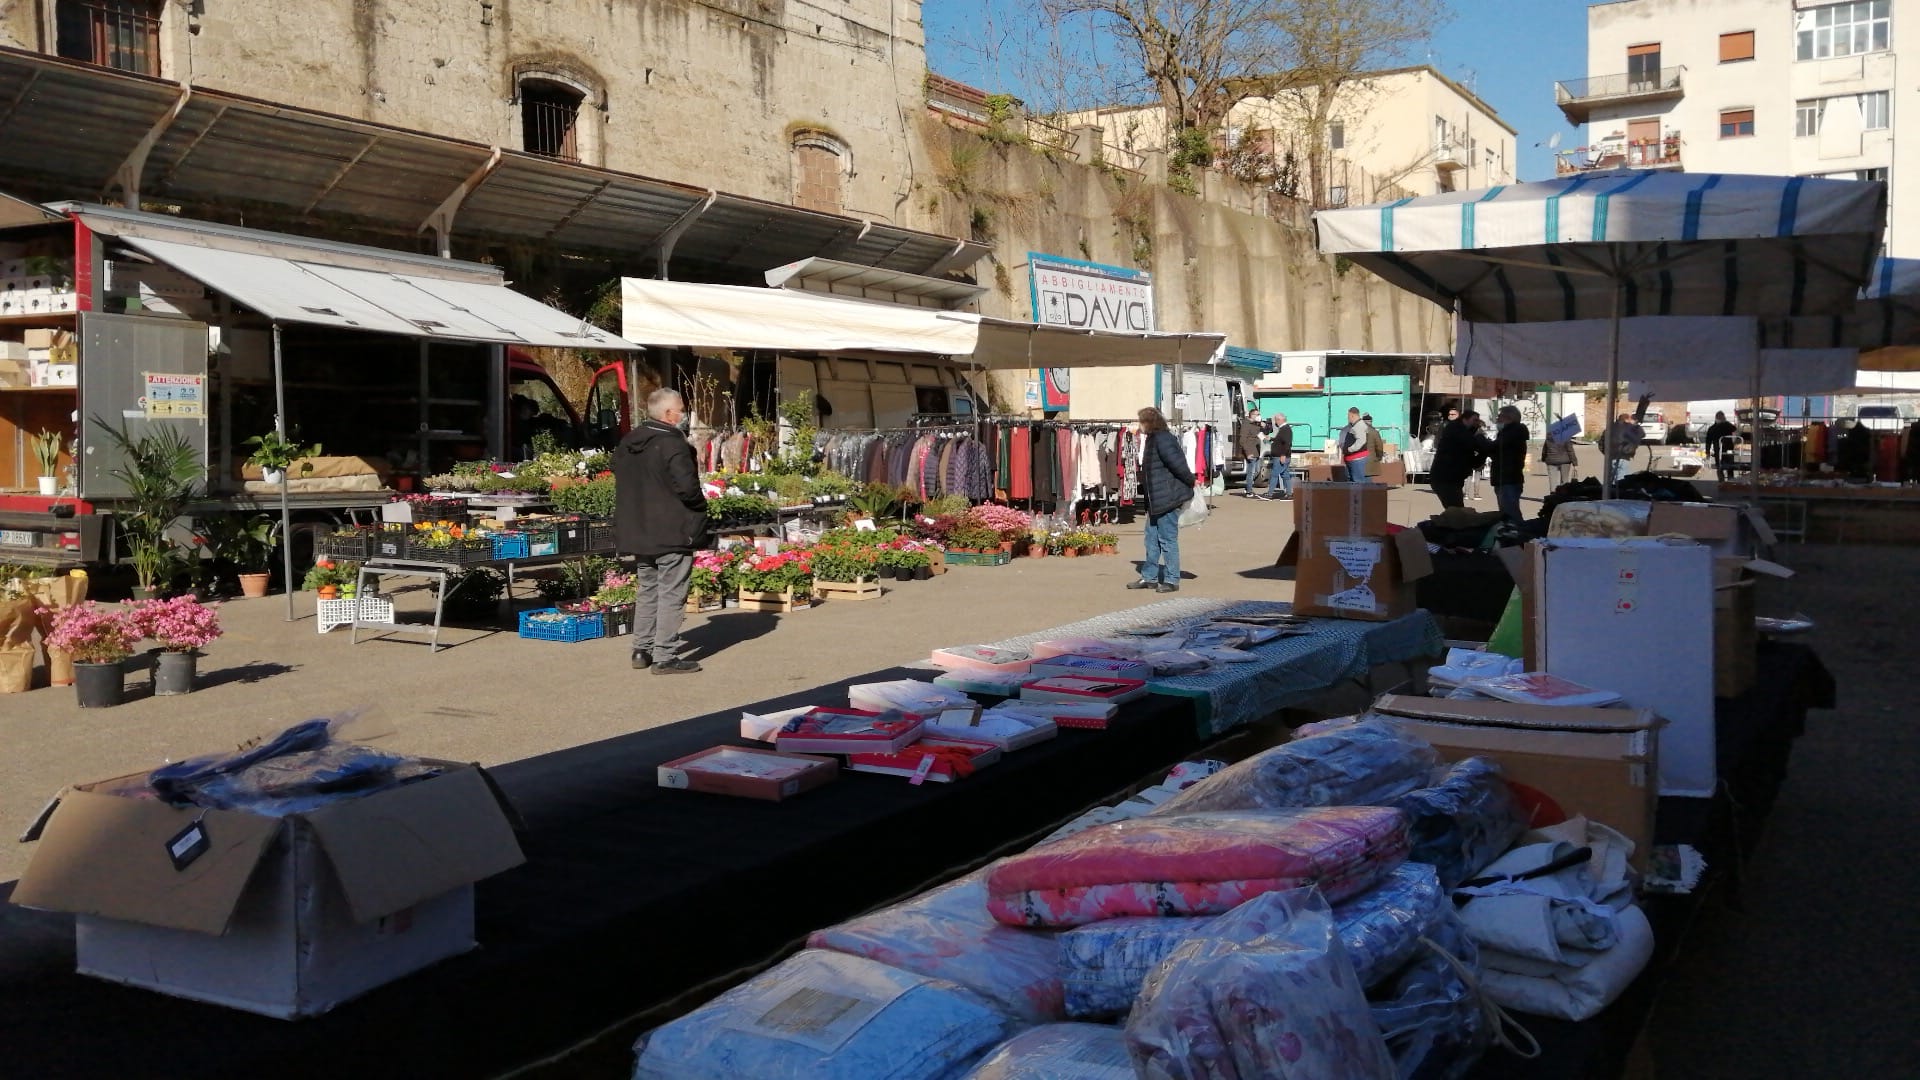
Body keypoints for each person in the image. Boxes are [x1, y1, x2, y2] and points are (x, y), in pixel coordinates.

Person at [613, 388, 709, 675]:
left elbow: (619, 474)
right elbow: (688, 488)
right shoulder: (672, 443)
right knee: (671, 593)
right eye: (681, 409)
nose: (683, 414)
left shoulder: (629, 442)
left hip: (639, 530)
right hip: (672, 530)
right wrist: (700, 507)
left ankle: (641, 650)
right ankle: (665, 655)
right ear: (669, 414)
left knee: (648, 589)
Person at [1127, 406, 1196, 593]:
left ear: (1148, 422)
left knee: (1167, 539)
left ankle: (1172, 579)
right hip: (1156, 499)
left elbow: (1178, 464)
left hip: (1168, 498)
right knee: (1151, 538)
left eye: (1141, 421)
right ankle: (1149, 577)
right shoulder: (1153, 438)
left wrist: (1191, 481)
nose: (1139, 425)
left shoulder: (1163, 439)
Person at [1429, 411, 1491, 509]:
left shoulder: (1464, 432)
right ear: (1464, 419)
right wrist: (1482, 441)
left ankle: (1450, 522)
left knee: (1455, 510)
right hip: (1445, 478)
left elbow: (1474, 460)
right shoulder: (1455, 429)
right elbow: (1472, 443)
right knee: (1456, 510)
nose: (1476, 423)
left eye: (1477, 421)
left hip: (1453, 479)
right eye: (1474, 420)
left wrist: (1483, 452)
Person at [1489, 405, 1530, 525]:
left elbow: (1495, 447)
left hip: (1508, 479)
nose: (1497, 420)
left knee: (1511, 513)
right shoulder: (1506, 433)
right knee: (1506, 513)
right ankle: (1513, 535)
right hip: (1504, 478)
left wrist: (1480, 439)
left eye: (1500, 417)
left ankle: (1521, 536)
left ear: (1509, 418)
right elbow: (1496, 451)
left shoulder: (1513, 432)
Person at [1234, 404, 1269, 497]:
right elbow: (1242, 440)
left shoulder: (1256, 424)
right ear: (1252, 415)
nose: (1259, 416)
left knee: (1257, 470)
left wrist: (1264, 434)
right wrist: (1248, 453)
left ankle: (1247, 487)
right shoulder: (1246, 424)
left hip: (1257, 450)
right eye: (1257, 414)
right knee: (1251, 471)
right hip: (1250, 451)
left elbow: (1259, 434)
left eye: (1259, 414)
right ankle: (1249, 491)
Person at [1260, 412, 1295, 499]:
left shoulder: (1285, 429)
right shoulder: (1284, 429)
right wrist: (1271, 438)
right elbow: (1281, 440)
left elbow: (1287, 443)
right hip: (1282, 456)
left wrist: (1283, 455)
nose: (1275, 423)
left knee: (1274, 474)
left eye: (1276, 420)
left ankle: (1270, 494)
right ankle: (1289, 494)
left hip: (1281, 456)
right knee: (1285, 475)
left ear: (1280, 420)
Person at [1603, 412, 1644, 484]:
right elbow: (1642, 434)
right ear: (1626, 419)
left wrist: (1606, 452)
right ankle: (1619, 493)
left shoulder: (1610, 427)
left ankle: (1612, 492)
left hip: (1611, 456)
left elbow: (1602, 442)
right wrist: (1636, 425)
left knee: (1612, 477)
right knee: (1622, 479)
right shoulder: (1627, 427)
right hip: (1623, 455)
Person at [1540, 419, 1577, 490]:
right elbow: (1570, 450)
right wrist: (1575, 463)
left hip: (1551, 461)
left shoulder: (1549, 436)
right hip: (1565, 461)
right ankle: (1562, 497)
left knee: (1552, 481)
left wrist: (1543, 458)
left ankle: (1552, 497)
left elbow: (1545, 449)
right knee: (1564, 481)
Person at [1338, 407, 1372, 482]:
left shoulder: (1359, 426)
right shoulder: (1355, 426)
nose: (1348, 418)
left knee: (1359, 484)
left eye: (1348, 416)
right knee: (1356, 484)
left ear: (1352, 415)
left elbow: (1361, 441)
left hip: (1358, 460)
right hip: (1354, 459)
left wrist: (1349, 449)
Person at [1703, 411, 1737, 480]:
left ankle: (1721, 481)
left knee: (1719, 467)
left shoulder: (1712, 428)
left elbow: (1708, 441)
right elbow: (1734, 428)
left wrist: (1707, 452)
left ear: (1716, 418)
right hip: (1729, 450)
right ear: (1724, 418)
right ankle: (1730, 481)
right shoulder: (1728, 425)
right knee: (1730, 467)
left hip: (1718, 450)